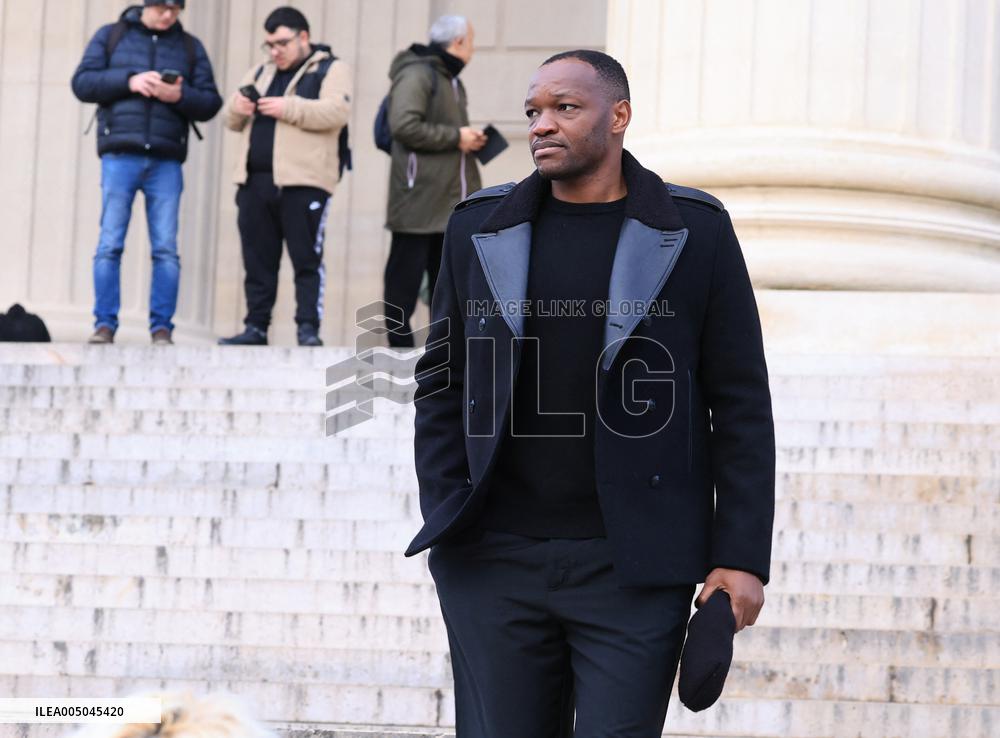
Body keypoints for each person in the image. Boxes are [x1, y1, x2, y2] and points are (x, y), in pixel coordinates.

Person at [405, 50, 776, 736]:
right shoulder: (478, 228)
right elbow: (442, 383)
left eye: (565, 109)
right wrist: (449, 513)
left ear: (619, 116)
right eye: (533, 113)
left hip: (635, 569)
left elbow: (742, 402)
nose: (542, 125)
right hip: (492, 563)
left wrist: (742, 556)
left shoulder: (696, 232)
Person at [71, 0, 222, 346]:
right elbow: (82, 83)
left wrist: (179, 95)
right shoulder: (112, 36)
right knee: (109, 243)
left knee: (166, 248)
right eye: (161, 7)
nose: (168, 15)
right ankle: (104, 324)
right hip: (120, 154)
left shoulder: (189, 46)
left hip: (166, 159)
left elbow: (211, 102)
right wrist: (130, 81)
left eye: (175, 9)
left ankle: (162, 328)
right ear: (145, 5)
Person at [218, 6, 352, 347]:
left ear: (303, 37)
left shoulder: (330, 68)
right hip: (254, 182)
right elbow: (231, 122)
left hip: (304, 183)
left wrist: (286, 106)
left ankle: (308, 329)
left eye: (281, 43)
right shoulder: (260, 71)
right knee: (257, 261)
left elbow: (337, 111)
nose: (275, 51)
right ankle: (256, 327)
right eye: (270, 45)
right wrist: (238, 106)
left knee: (307, 259)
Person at [383, 15, 484, 347]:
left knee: (444, 275)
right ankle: (398, 342)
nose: (472, 49)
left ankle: (443, 344)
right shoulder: (417, 73)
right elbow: (403, 126)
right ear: (457, 42)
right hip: (418, 194)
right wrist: (456, 137)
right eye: (470, 41)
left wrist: (467, 139)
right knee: (405, 271)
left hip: (449, 195)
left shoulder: (451, 79)